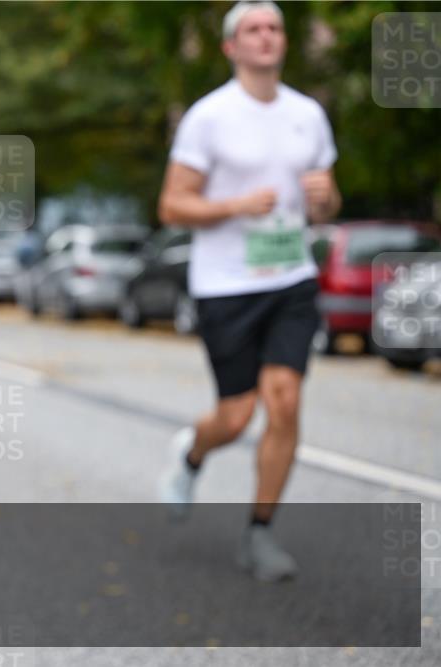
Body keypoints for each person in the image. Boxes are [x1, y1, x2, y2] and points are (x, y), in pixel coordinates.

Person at [156, 1, 341, 582]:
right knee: (236, 417)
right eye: (253, 29)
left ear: (284, 42)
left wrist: (324, 200)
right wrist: (235, 205)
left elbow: (327, 206)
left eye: (274, 28)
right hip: (226, 285)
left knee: (284, 401)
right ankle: (193, 451)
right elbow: (171, 205)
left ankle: (259, 533)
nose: (266, 37)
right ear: (230, 47)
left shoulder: (308, 115)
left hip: (290, 278)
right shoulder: (209, 118)